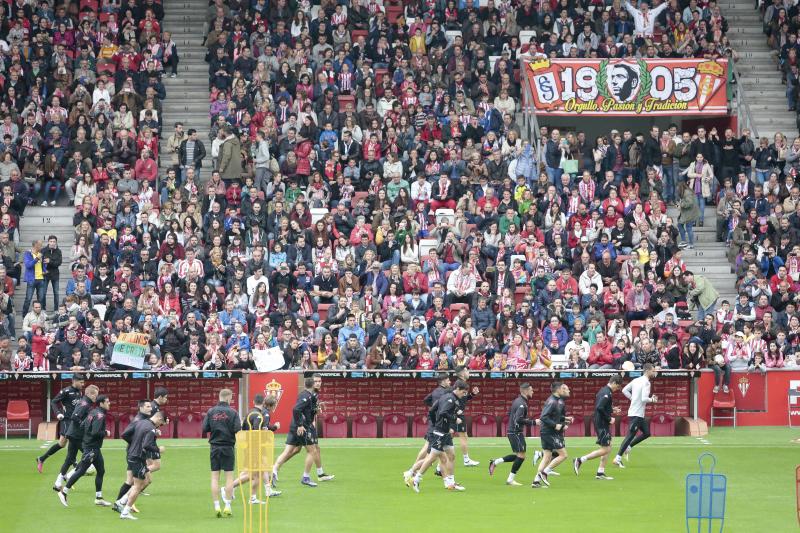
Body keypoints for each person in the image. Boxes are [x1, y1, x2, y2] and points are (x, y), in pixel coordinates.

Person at [272, 376, 335, 487]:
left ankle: (273, 470)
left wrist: (317, 408)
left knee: (293, 450)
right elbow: (297, 409)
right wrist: (301, 425)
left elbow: (309, 410)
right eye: (316, 381)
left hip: (298, 425)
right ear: (312, 384)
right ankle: (307, 477)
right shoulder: (308, 395)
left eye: (319, 381)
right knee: (313, 450)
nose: (318, 383)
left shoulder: (311, 395)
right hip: (302, 427)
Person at [410, 379, 470, 492]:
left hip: (445, 432)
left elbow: (432, 410)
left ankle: (451, 483)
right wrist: (453, 419)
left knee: (451, 456)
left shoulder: (447, 397)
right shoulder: (450, 399)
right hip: (440, 432)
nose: (464, 395)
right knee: (432, 457)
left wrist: (434, 423)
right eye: (463, 392)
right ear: (457, 389)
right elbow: (442, 412)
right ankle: (416, 478)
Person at [224, 394, 282, 503]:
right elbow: (258, 429)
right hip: (255, 447)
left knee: (259, 469)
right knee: (253, 473)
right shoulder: (261, 414)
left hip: (252, 446)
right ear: (272, 405)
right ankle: (229, 488)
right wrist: (270, 432)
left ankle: (262, 492)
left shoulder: (256, 412)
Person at [57, 394, 112, 507]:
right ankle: (63, 492)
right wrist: (105, 433)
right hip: (91, 448)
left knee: (101, 471)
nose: (109, 403)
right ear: (101, 403)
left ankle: (98, 498)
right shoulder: (100, 415)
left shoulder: (93, 412)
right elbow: (95, 432)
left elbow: (83, 426)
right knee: (81, 470)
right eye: (107, 401)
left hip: (93, 447)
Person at [119, 409, 167, 520]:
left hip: (131, 455)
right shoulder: (151, 429)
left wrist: (134, 443)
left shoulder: (140, 422)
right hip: (138, 458)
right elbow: (146, 445)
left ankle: (121, 501)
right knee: (138, 486)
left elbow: (124, 434)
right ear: (159, 418)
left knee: (144, 480)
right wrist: (158, 449)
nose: (160, 425)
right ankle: (125, 512)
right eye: (162, 423)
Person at [488, 382, 539, 486]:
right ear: (525, 391)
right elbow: (519, 419)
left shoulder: (517, 401)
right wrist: (533, 422)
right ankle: (510, 479)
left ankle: (495, 462)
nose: (533, 391)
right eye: (531, 389)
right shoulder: (521, 403)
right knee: (521, 456)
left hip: (513, 431)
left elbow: (509, 414)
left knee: (520, 456)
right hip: (516, 432)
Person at [574, 375, 624, 480]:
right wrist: (609, 418)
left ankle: (600, 472)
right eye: (618, 386)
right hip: (602, 423)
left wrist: (612, 410)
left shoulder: (604, 391)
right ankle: (580, 460)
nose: (617, 389)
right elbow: (599, 407)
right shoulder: (606, 392)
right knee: (606, 449)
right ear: (614, 382)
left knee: (608, 446)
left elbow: (602, 407)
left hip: (601, 422)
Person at [404, 373, 451, 484]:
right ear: (443, 381)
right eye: (448, 380)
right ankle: (411, 472)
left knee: (432, 453)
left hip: (433, 424)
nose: (450, 382)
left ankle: (447, 482)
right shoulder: (444, 392)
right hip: (436, 426)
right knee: (432, 457)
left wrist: (433, 408)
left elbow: (426, 400)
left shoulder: (435, 391)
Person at [202, 388, 242, 518]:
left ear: (219, 397)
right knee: (229, 477)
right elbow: (237, 429)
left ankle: (217, 506)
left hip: (214, 447)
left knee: (215, 477)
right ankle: (228, 506)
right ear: (229, 397)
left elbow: (205, 428)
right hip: (228, 447)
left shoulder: (211, 411)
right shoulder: (233, 412)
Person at [54, 384, 98, 492]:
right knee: (91, 456)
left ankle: (58, 482)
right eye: (96, 395)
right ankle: (69, 476)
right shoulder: (85, 403)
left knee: (69, 458)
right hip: (77, 435)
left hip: (73, 434)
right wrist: (84, 425)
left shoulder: (85, 402)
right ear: (90, 394)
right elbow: (74, 416)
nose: (96, 397)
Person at [613, 363, 659, 468]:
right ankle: (617, 458)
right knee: (630, 436)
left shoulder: (636, 380)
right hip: (636, 414)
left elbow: (624, 390)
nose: (654, 372)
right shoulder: (647, 383)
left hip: (637, 413)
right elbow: (644, 398)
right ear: (647, 371)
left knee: (647, 433)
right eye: (653, 370)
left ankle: (628, 447)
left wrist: (632, 398)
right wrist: (652, 399)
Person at [37, 374, 85, 471]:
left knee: (62, 443)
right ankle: (76, 463)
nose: (83, 384)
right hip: (67, 420)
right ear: (74, 381)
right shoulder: (66, 391)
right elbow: (54, 401)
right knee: (73, 440)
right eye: (81, 382)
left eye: (83, 382)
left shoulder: (80, 392)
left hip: (75, 421)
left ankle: (41, 458)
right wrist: (58, 413)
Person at [113, 399, 153, 515]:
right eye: (147, 406)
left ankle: (120, 503)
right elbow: (124, 434)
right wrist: (136, 443)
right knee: (143, 481)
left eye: (150, 406)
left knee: (133, 481)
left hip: (134, 453)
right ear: (140, 408)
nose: (150, 408)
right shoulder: (138, 420)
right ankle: (122, 503)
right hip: (134, 453)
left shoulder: (143, 419)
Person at [532, 382, 573, 488]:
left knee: (547, 456)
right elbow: (544, 417)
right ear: (558, 390)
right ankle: (545, 472)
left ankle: (536, 481)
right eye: (562, 388)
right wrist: (555, 425)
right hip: (549, 432)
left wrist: (565, 419)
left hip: (548, 432)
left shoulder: (558, 401)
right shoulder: (552, 401)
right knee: (563, 455)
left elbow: (555, 415)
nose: (564, 390)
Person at [451, 366, 480, 467]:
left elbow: (463, 399)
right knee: (463, 437)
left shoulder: (460, 383)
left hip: (455, 413)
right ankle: (466, 460)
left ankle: (439, 465)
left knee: (449, 438)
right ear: (462, 373)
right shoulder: (460, 384)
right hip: (457, 414)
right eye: (467, 371)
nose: (469, 372)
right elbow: (452, 399)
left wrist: (473, 394)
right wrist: (457, 411)